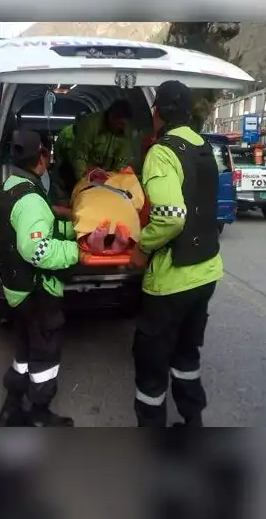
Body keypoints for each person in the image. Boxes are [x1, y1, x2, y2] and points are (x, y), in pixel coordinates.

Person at [128, 80, 222, 427]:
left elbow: (171, 216)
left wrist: (142, 246)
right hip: (207, 271)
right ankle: (192, 421)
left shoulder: (162, 152)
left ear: (157, 113)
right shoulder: (203, 146)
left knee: (151, 365)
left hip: (171, 281)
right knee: (186, 354)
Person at [0, 130, 80, 427]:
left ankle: (11, 406)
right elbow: (37, 248)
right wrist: (77, 249)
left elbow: (39, 229)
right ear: (42, 157)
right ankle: (40, 414)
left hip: (17, 287)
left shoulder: (12, 186)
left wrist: (74, 232)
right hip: (36, 289)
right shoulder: (30, 199)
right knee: (44, 352)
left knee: (24, 348)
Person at [56, 100, 135, 193]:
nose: (122, 127)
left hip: (107, 179)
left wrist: (115, 182)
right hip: (85, 174)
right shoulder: (91, 124)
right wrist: (84, 182)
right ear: (111, 116)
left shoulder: (125, 131)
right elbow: (79, 156)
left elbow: (123, 161)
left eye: (124, 124)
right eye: (120, 123)